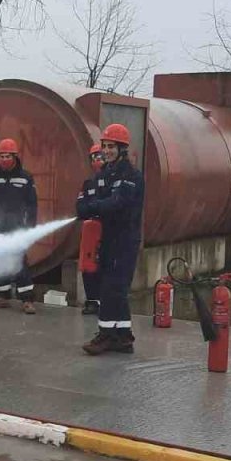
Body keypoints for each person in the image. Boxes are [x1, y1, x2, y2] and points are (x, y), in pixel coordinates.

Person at [79, 123, 144, 355]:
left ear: (122, 149)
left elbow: (118, 203)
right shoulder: (103, 175)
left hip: (124, 240)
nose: (106, 151)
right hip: (106, 240)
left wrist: (94, 207)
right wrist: (86, 207)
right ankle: (123, 337)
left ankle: (106, 335)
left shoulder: (131, 176)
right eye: (104, 146)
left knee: (111, 288)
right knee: (116, 289)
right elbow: (88, 200)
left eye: (111, 147)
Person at [0, 137, 38, 314]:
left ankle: (27, 300)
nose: (4, 160)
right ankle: (2, 297)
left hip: (18, 227)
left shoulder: (26, 178)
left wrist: (30, 226)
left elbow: (32, 204)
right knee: (0, 260)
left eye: (8, 156)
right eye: (2, 156)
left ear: (15, 157)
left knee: (19, 261)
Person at [78, 143, 106, 315]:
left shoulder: (112, 181)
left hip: (108, 229)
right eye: (94, 158)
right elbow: (80, 206)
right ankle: (91, 301)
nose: (97, 161)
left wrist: (95, 207)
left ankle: (105, 300)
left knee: (105, 264)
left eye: (100, 157)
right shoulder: (88, 184)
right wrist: (88, 209)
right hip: (90, 230)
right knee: (88, 265)